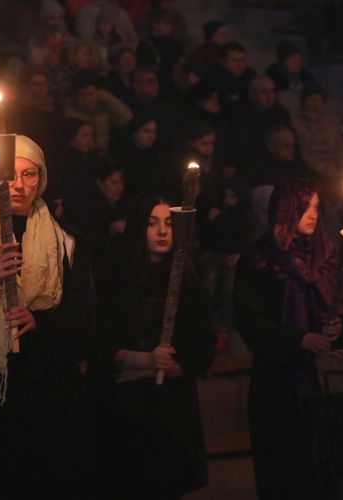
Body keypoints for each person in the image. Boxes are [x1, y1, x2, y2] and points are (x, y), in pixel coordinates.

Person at [0, 135, 98, 497]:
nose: (20, 184)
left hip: (44, 384)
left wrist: (39, 321)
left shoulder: (67, 240)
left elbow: (85, 319)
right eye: (11, 175)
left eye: (30, 174)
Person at [233, 177, 343, 499]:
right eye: (304, 208)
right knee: (286, 473)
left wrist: (340, 328)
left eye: (316, 207)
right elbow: (247, 320)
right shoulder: (259, 260)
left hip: (327, 387)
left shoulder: (329, 254)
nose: (313, 215)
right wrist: (299, 340)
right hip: (281, 384)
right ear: (287, 210)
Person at [97, 193, 215, 498]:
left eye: (168, 224)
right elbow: (99, 340)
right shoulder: (114, 277)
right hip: (124, 411)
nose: (163, 231)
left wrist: (170, 366)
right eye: (152, 224)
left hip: (170, 411)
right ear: (139, 228)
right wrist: (141, 361)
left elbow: (202, 347)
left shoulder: (188, 281)